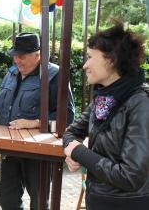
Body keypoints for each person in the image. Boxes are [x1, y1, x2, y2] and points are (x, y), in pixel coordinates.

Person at [0, 32, 75, 209]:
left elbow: (68, 118)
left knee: (39, 202)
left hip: (39, 152)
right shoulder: (11, 73)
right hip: (10, 149)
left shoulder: (54, 75)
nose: (17, 60)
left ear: (37, 55)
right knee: (7, 199)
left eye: (22, 56)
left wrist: (35, 123)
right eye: (15, 56)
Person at [63, 21, 149, 210]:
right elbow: (71, 133)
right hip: (97, 199)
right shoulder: (104, 97)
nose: (85, 65)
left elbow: (131, 176)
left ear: (112, 59)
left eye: (89, 57)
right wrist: (70, 150)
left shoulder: (141, 103)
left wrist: (78, 153)